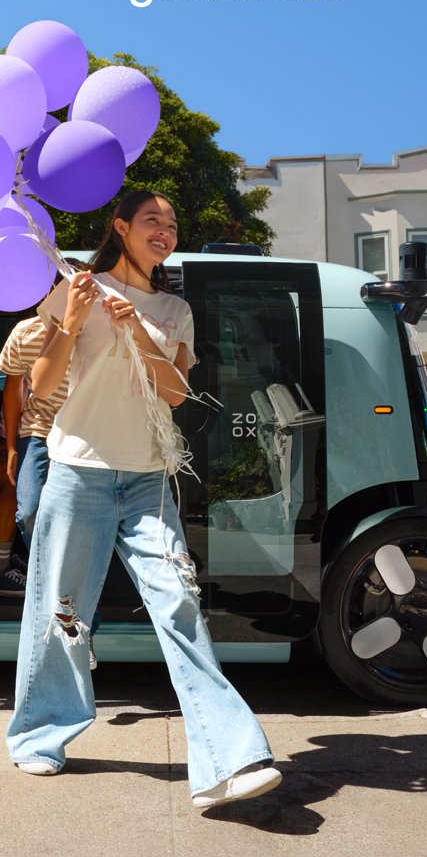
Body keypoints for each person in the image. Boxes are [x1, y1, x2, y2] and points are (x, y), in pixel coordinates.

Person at [6, 191, 281, 809]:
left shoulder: (174, 308)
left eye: (173, 222)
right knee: (62, 613)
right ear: (121, 227)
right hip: (79, 474)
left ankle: (229, 758)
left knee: (181, 603)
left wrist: (138, 329)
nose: (165, 229)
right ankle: (39, 735)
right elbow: (40, 387)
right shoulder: (76, 288)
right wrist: (73, 321)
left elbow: (178, 394)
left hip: (150, 480)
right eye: (152, 219)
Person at [0, 262, 101, 670]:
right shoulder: (25, 333)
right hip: (39, 432)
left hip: (87, 435)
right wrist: (11, 448)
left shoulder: (99, 332)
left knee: (83, 529)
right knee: (29, 512)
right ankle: (46, 583)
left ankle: (77, 618)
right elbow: (12, 393)